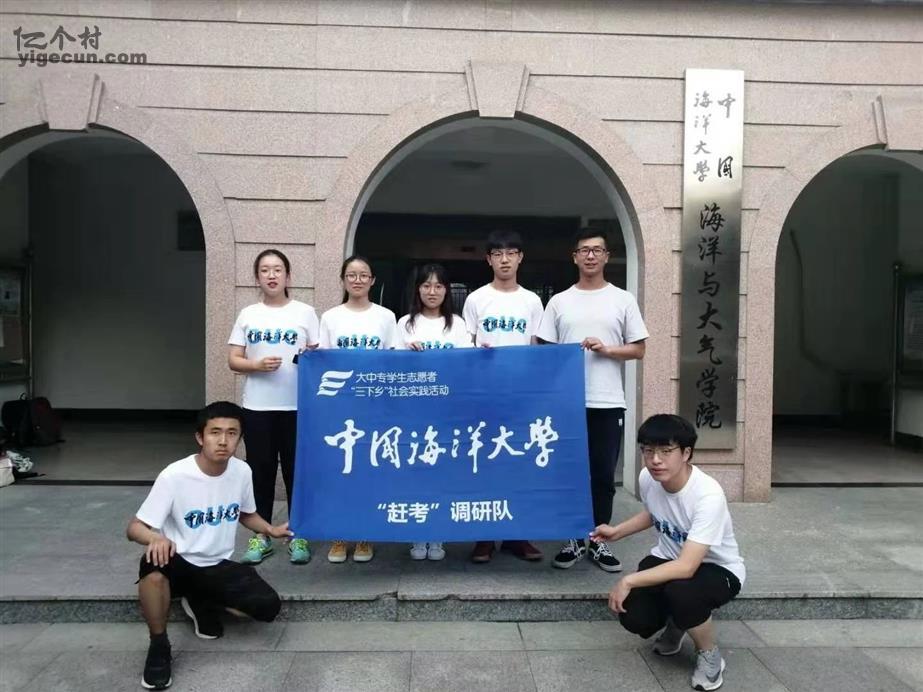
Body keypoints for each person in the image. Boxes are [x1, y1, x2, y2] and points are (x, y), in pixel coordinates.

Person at [127, 401, 290, 691]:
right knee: (152, 569)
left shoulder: (241, 471)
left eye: (232, 433)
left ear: (240, 439)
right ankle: (159, 646)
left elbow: (246, 514)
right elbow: (134, 528)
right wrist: (156, 538)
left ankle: (199, 598)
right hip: (176, 560)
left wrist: (270, 529)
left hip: (216, 564)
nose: (223, 440)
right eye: (215, 432)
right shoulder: (175, 475)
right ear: (200, 437)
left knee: (268, 607)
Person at [590, 414, 745, 692]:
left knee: (683, 592)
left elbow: (687, 567)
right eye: (648, 451)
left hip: (718, 569)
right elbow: (655, 512)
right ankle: (679, 623)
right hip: (669, 559)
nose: (655, 460)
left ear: (686, 453)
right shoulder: (648, 478)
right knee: (635, 615)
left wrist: (627, 580)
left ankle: (710, 656)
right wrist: (617, 531)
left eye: (665, 451)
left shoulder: (708, 495)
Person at [537, 227, 648, 573]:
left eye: (596, 250)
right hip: (566, 403)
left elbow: (639, 349)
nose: (590, 255)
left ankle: (599, 540)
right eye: (584, 250)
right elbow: (544, 350)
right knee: (568, 473)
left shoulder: (622, 299)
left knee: (602, 475)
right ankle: (573, 538)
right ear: (574, 257)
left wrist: (607, 349)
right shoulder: (559, 301)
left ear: (606, 256)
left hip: (607, 401)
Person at [228, 249, 319, 566]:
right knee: (260, 472)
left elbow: (318, 356)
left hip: (297, 408)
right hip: (257, 407)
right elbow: (233, 359)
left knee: (297, 472)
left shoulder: (305, 312)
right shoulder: (248, 314)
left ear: (288, 276)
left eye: (277, 269)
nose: (271, 275)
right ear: (257, 277)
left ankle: (299, 533)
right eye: (265, 270)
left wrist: (309, 357)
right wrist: (255, 365)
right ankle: (261, 535)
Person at [461, 229, 544, 563]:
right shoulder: (476, 299)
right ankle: (483, 537)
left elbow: (536, 348)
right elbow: (465, 345)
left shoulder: (532, 301)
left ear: (520, 258)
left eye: (511, 253)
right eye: (498, 254)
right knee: (483, 462)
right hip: (483, 394)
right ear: (489, 260)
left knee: (518, 463)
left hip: (519, 396)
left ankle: (516, 535)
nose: (505, 260)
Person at [319, 255, 398, 563]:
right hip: (340, 407)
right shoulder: (330, 317)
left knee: (368, 469)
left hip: (374, 405)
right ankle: (339, 535)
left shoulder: (386, 317)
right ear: (343, 279)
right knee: (340, 470)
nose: (357, 280)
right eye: (351, 275)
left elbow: (393, 361)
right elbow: (323, 361)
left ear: (372, 280)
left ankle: (365, 533)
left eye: (363, 275)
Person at [396, 263, 471, 560]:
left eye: (438, 286)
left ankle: (438, 535)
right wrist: (407, 353)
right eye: (426, 285)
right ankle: (417, 535)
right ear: (418, 289)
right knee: (416, 472)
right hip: (414, 412)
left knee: (443, 472)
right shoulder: (405, 324)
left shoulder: (458, 325)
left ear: (446, 290)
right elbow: (390, 366)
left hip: (448, 412)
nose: (432, 291)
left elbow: (468, 364)